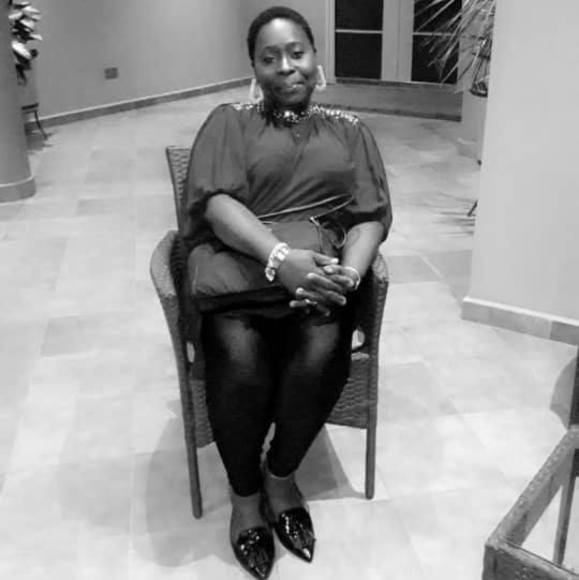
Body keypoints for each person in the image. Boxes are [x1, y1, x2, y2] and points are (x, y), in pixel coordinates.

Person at [183, 6, 392, 578]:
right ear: (253, 66)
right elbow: (216, 205)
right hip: (242, 276)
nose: (285, 67)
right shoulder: (229, 121)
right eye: (269, 57)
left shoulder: (350, 130)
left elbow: (369, 215)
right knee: (240, 365)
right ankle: (245, 496)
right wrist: (280, 259)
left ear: (315, 56)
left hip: (319, 278)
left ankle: (280, 478)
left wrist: (346, 276)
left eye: (296, 52)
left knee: (323, 354)